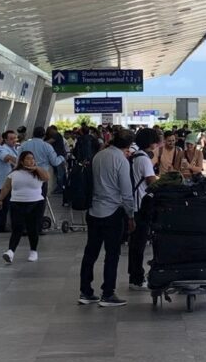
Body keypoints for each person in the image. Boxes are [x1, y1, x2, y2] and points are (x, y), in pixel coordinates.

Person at [78, 130, 135, 307]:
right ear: (128, 145)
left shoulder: (98, 155)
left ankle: (85, 292)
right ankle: (108, 293)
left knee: (90, 253)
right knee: (112, 254)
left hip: (94, 210)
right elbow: (126, 192)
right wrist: (131, 214)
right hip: (112, 211)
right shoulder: (121, 160)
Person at [0, 150, 48, 264]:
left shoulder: (38, 172)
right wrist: (0, 199)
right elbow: (6, 187)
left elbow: (46, 177)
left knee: (33, 228)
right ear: (22, 161)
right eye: (28, 159)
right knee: (17, 228)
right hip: (17, 203)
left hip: (36, 203)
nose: (30, 161)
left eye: (32, 158)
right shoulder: (14, 173)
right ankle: (10, 252)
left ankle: (33, 251)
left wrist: (36, 168)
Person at [127, 128, 158, 291]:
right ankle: (137, 278)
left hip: (134, 204)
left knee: (135, 244)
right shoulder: (144, 160)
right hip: (141, 205)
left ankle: (134, 275)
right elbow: (151, 181)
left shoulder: (135, 156)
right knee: (139, 244)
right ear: (151, 142)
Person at [44, 125, 69, 195]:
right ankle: (59, 186)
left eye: (50, 130)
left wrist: (39, 142)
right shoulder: (50, 136)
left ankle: (61, 187)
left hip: (59, 157)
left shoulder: (57, 135)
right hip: (54, 157)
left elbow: (48, 142)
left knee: (60, 173)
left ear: (54, 130)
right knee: (57, 173)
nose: (49, 132)